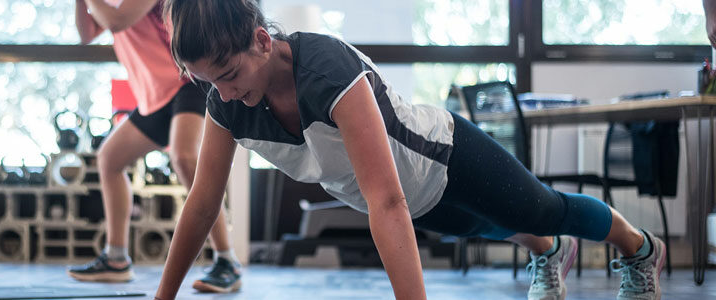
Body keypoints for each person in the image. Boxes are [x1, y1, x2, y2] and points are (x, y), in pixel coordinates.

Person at [153, 0, 667, 299]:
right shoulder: (226, 102)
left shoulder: (325, 69)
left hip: (444, 157)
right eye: (206, 83)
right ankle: (551, 251)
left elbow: (388, 202)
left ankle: (640, 247)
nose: (221, 93)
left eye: (228, 75)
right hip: (417, 200)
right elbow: (201, 204)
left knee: (541, 208)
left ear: (263, 42)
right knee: (484, 225)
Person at [69, 0, 241, 293]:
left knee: (184, 156)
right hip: (155, 98)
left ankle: (227, 261)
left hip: (187, 81)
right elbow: (86, 33)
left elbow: (117, 21)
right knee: (109, 159)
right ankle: (116, 259)